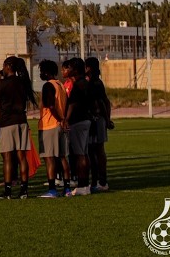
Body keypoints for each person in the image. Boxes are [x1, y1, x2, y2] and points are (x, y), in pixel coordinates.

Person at [0, 56, 33, 200]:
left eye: (4, 65)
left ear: (8, 66)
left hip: (7, 122)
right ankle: (24, 191)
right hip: (22, 121)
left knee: (8, 157)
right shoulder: (23, 82)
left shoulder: (3, 83)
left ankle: (8, 191)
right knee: (22, 157)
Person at [36, 59, 70, 198]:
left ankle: (52, 190)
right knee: (62, 157)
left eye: (41, 71)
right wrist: (63, 119)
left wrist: (60, 119)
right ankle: (67, 189)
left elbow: (50, 106)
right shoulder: (60, 85)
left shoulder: (48, 86)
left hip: (50, 125)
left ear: (46, 72)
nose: (40, 74)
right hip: (60, 125)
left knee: (49, 158)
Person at [62, 57, 93, 197]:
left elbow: (72, 104)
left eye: (70, 67)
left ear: (75, 69)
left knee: (80, 154)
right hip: (86, 119)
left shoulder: (78, 84)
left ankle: (82, 185)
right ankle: (85, 184)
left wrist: (66, 119)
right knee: (84, 153)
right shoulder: (85, 83)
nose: (68, 70)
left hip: (78, 121)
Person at [84, 56, 114, 193]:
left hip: (96, 120)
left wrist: (106, 119)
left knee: (96, 151)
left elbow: (102, 102)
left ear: (89, 68)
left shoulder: (94, 83)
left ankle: (100, 181)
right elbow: (106, 101)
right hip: (98, 119)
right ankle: (97, 181)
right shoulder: (96, 82)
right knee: (95, 151)